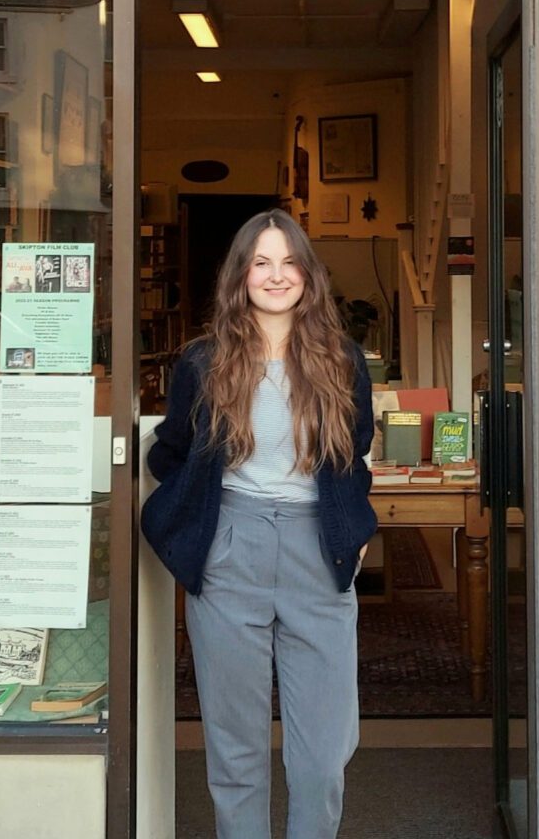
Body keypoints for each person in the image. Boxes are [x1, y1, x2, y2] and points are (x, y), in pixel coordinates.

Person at [141, 210, 376, 839]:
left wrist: (352, 538)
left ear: (308, 273)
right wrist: (194, 530)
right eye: (261, 262)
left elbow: (355, 454)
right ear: (241, 274)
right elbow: (171, 451)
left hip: (317, 549)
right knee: (236, 749)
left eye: (289, 262)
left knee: (323, 757)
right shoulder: (203, 362)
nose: (276, 276)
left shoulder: (343, 361)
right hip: (231, 546)